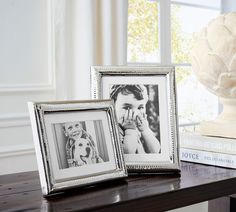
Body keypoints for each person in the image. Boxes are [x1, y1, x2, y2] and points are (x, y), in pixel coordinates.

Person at [110, 84, 161, 154]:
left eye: (140, 107)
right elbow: (128, 153)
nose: (135, 113)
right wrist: (130, 129)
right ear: (112, 107)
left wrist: (145, 130)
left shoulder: (140, 127)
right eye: (127, 107)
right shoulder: (114, 130)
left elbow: (155, 150)